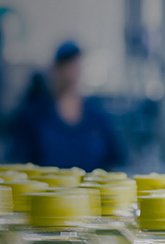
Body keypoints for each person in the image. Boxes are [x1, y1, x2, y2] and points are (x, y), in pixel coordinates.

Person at [6, 41, 125, 170]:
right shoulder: (34, 117)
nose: (71, 73)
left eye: (75, 66)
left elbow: (114, 162)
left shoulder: (97, 118)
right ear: (55, 70)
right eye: (67, 66)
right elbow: (19, 163)